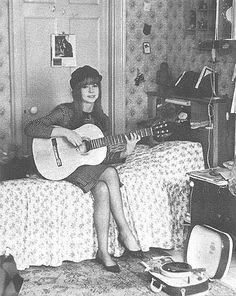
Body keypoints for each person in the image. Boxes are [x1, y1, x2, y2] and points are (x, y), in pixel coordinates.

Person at [24, 65, 144, 273]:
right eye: (85, 86)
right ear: (76, 90)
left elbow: (103, 155)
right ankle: (125, 231)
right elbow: (31, 127)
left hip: (85, 166)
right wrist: (64, 132)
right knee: (109, 172)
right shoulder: (65, 111)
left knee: (103, 189)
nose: (91, 91)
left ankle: (103, 252)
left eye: (95, 86)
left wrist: (127, 151)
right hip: (62, 167)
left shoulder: (101, 119)